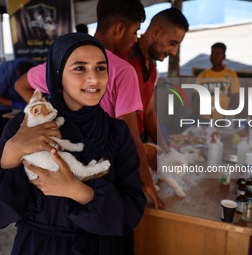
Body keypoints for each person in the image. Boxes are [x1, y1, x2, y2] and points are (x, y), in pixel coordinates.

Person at [0, 33, 146, 255]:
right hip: (39, 248)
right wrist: (10, 153)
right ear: (57, 74)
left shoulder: (117, 132)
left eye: (100, 68)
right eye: (80, 68)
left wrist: (78, 191)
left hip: (101, 248)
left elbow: (132, 209)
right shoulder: (25, 127)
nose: (94, 79)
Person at [15, 0, 166, 210]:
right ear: (119, 28)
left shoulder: (63, 62)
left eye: (100, 69)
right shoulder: (123, 70)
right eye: (135, 31)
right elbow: (130, 135)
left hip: (67, 168)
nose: (135, 39)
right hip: (104, 165)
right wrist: (146, 182)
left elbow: (22, 85)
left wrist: (58, 122)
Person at [117, 8, 188, 151]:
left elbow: (148, 112)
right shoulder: (124, 59)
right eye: (172, 43)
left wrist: (166, 148)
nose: (174, 52)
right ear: (155, 32)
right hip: (120, 146)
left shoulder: (153, 71)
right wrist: (139, 148)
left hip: (136, 142)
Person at [0, 58, 37, 143]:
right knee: (4, 129)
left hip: (20, 99)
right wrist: (15, 104)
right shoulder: (4, 71)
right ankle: (2, 153)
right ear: (18, 73)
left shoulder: (34, 67)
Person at [191, 42, 240, 120]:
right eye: (212, 53)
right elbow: (197, 97)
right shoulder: (202, 75)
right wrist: (192, 116)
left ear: (224, 56)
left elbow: (235, 98)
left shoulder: (231, 75)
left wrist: (228, 118)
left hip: (222, 120)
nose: (214, 57)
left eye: (218, 54)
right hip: (203, 119)